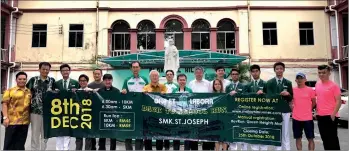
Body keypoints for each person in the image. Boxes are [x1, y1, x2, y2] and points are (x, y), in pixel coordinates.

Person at [26, 62, 56, 150]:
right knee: (35, 134)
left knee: (45, 135)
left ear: (49, 70)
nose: (45, 71)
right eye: (43, 69)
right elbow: (27, 93)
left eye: (47, 69)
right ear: (39, 69)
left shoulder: (52, 81)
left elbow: (56, 95)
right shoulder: (33, 80)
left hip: (48, 112)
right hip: (35, 111)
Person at [121, 61, 149, 150]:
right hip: (130, 110)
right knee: (128, 131)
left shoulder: (144, 79)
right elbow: (123, 92)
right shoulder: (127, 80)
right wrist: (123, 91)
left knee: (139, 131)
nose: (135, 69)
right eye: (133, 67)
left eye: (137, 67)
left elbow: (149, 93)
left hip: (141, 110)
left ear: (140, 68)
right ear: (131, 69)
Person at [266, 62, 293, 151]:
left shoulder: (288, 82)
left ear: (284, 70)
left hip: (285, 110)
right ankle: (278, 149)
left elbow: (291, 98)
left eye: (281, 68)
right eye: (277, 69)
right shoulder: (269, 82)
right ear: (274, 70)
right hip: (274, 111)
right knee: (277, 131)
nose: (279, 70)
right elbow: (268, 97)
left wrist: (288, 94)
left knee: (285, 132)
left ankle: (287, 149)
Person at [1, 72, 31, 150]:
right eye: (20, 79)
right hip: (12, 121)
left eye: (24, 79)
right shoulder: (10, 91)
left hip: (24, 122)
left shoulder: (29, 91)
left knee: (21, 144)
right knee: (9, 143)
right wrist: (5, 118)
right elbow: (4, 104)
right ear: (16, 80)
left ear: (26, 80)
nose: (22, 81)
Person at [315, 65, 341, 150]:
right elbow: (318, 99)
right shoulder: (317, 84)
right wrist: (316, 112)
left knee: (333, 139)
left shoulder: (334, 86)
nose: (321, 74)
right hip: (320, 116)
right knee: (325, 139)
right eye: (319, 73)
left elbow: (338, 101)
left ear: (329, 73)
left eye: (324, 73)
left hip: (330, 116)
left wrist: (333, 114)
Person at [243, 64, 268, 150]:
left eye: (256, 71)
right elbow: (244, 98)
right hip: (252, 113)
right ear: (250, 73)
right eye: (253, 71)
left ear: (259, 72)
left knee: (263, 131)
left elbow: (271, 97)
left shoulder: (265, 84)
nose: (255, 73)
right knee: (253, 131)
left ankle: (264, 148)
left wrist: (264, 94)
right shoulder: (248, 85)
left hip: (263, 112)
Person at [55, 64, 79, 150]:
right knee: (58, 130)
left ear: (69, 71)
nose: (65, 72)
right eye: (63, 70)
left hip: (70, 110)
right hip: (59, 111)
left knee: (67, 131)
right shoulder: (57, 83)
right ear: (61, 72)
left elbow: (79, 95)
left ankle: (66, 149)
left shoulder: (75, 83)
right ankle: (58, 149)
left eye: (67, 70)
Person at [143, 70, 167, 150]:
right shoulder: (145, 87)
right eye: (153, 75)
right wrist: (144, 94)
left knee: (159, 137)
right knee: (148, 137)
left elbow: (167, 98)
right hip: (149, 116)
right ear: (150, 77)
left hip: (160, 116)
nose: (154, 77)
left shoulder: (163, 87)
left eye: (156, 75)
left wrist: (164, 94)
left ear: (158, 77)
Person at [187, 66, 210, 150]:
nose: (199, 74)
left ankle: (206, 149)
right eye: (197, 72)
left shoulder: (208, 83)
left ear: (203, 73)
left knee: (205, 131)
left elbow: (212, 96)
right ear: (194, 74)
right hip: (194, 112)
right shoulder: (191, 83)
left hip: (205, 111)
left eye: (200, 72)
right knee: (194, 132)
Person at [291, 72, 316, 150]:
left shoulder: (310, 90)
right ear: (295, 80)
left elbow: (314, 102)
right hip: (296, 118)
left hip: (308, 118)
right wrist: (293, 110)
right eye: (298, 78)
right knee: (298, 138)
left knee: (310, 138)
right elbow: (290, 102)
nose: (299, 80)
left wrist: (308, 110)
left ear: (305, 80)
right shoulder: (292, 90)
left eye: (301, 78)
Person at [98, 74, 120, 150]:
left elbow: (119, 104)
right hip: (103, 117)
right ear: (103, 81)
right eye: (106, 80)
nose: (108, 82)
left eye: (109, 80)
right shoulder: (99, 91)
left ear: (112, 80)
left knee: (113, 137)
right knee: (102, 137)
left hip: (113, 117)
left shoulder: (117, 91)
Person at [225, 68, 244, 150]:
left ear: (238, 75)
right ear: (231, 75)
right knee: (233, 132)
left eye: (236, 74)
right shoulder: (228, 87)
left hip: (241, 112)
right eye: (233, 74)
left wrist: (238, 94)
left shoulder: (244, 86)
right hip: (231, 112)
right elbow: (226, 99)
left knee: (242, 132)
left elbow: (246, 98)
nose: (234, 75)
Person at [171, 74, 192, 150]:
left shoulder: (189, 90)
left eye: (183, 80)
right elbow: (171, 103)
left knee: (187, 137)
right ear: (177, 81)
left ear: (186, 81)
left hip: (187, 117)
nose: (182, 81)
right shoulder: (174, 90)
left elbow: (192, 103)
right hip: (176, 117)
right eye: (180, 80)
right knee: (176, 137)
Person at [75, 74, 95, 150]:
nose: (82, 82)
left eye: (84, 81)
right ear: (79, 82)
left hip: (88, 117)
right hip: (78, 117)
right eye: (81, 81)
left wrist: (92, 92)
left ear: (87, 82)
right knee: (78, 137)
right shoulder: (76, 91)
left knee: (88, 138)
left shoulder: (91, 91)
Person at [87, 68, 104, 150]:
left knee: (102, 131)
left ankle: (101, 147)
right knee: (92, 131)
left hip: (102, 112)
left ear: (101, 75)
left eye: (98, 74)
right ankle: (93, 147)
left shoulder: (105, 85)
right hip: (92, 112)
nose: (96, 75)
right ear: (93, 75)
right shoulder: (89, 85)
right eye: (95, 74)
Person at [212, 79, 228, 151]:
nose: (217, 85)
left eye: (219, 84)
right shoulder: (210, 95)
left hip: (224, 119)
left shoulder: (226, 95)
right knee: (217, 138)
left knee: (224, 138)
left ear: (221, 85)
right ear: (213, 86)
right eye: (215, 84)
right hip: (215, 119)